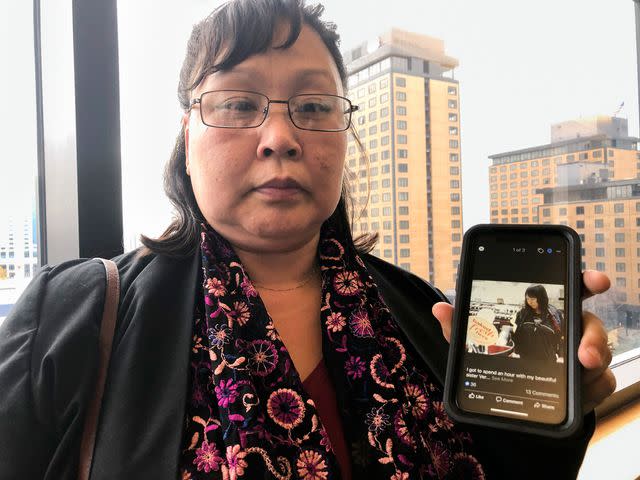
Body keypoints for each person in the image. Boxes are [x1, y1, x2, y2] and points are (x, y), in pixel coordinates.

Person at [0, 0, 616, 478]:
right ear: (188, 138)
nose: (279, 136)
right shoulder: (68, 319)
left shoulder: (428, 316)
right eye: (239, 103)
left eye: (315, 106)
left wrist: (552, 413)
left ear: (343, 133)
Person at [512, 285, 564, 363]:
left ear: (541, 298)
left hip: (547, 360)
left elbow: (561, 335)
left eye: (532, 299)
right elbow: (517, 334)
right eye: (527, 299)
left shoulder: (554, 314)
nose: (529, 302)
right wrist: (515, 351)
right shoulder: (522, 313)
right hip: (525, 358)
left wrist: (561, 355)